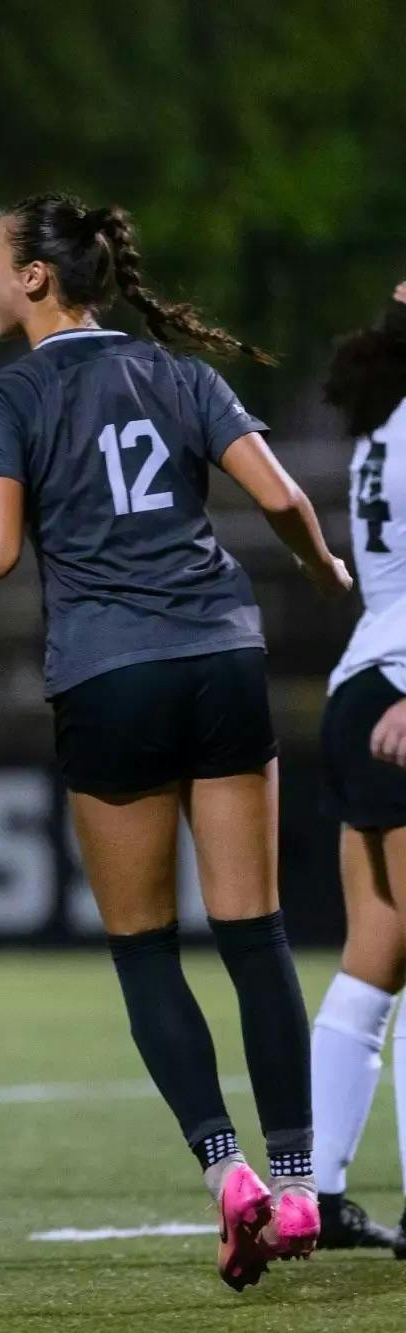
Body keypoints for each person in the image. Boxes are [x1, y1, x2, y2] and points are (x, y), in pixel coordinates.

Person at [0, 193, 351, 1291]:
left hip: (109, 677)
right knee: (254, 936)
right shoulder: (178, 374)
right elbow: (283, 497)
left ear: (36, 280)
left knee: (144, 948)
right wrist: (321, 570)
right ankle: (298, 1182)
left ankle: (227, 1176)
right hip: (217, 658)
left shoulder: (2, 396)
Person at [309, 280, 406, 1257]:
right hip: (403, 696)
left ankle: (318, 1195)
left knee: (373, 956)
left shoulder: (383, 424)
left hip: (358, 686)